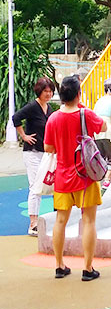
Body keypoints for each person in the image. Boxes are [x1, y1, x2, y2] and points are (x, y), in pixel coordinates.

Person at [43, 74, 108, 282]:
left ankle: (59, 265)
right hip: (85, 177)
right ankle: (87, 269)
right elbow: (104, 127)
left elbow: (48, 147)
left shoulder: (53, 118)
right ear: (78, 94)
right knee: (88, 220)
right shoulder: (85, 114)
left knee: (60, 221)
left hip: (62, 178)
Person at [12, 77, 55, 235]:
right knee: (35, 187)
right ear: (39, 91)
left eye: (50, 91)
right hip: (32, 152)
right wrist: (24, 136)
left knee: (51, 185)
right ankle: (33, 223)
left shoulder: (49, 108)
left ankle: (53, 219)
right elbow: (16, 117)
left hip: (46, 153)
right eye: (45, 91)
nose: (48, 94)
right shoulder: (32, 106)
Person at [93, 78, 111, 187]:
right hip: (108, 129)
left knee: (101, 157)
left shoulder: (99, 101)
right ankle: (107, 180)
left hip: (97, 131)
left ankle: (98, 181)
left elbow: (94, 115)